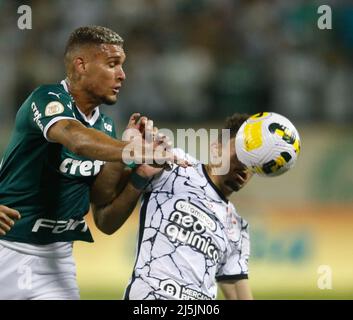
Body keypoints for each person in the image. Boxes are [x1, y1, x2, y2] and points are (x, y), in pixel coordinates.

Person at [0, 25, 175, 300]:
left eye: (122, 65)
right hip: (6, 249)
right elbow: (74, 138)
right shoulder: (46, 99)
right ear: (81, 65)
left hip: (56, 261)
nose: (122, 74)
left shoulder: (105, 127)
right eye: (112, 64)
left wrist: (138, 172)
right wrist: (134, 150)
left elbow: (103, 212)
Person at [93, 113, 254, 300]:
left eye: (253, 162)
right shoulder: (174, 165)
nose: (245, 166)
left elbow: (238, 293)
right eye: (241, 154)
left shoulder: (237, 228)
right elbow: (105, 222)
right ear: (216, 149)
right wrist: (137, 170)